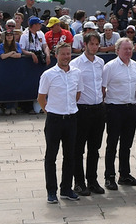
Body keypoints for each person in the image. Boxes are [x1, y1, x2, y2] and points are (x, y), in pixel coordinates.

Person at [37, 42, 82, 203]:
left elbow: (78, 94)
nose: (66, 57)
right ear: (56, 55)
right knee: (51, 156)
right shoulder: (48, 74)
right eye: (63, 54)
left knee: (70, 155)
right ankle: (51, 191)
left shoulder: (76, 73)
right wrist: (49, 111)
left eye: (68, 54)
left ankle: (66, 189)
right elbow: (41, 98)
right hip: (55, 120)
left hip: (71, 119)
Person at [102, 38, 136, 189]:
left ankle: (124, 174)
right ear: (117, 50)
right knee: (112, 144)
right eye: (125, 49)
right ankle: (109, 176)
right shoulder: (110, 67)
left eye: (130, 49)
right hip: (114, 108)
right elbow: (103, 89)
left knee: (127, 144)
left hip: (130, 108)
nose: (128, 52)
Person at [70, 32, 106, 195]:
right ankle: (79, 182)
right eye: (91, 44)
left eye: (97, 44)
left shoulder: (100, 62)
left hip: (98, 109)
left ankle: (92, 180)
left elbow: (101, 85)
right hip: (82, 110)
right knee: (79, 148)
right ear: (85, 45)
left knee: (95, 147)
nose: (94, 47)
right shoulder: (76, 63)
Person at [0, 29, 22, 115]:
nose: (9, 37)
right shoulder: (1, 45)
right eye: (7, 35)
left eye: (11, 35)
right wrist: (12, 53)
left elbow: (19, 55)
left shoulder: (16, 44)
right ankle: (7, 107)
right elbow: (2, 56)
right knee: (6, 87)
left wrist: (9, 55)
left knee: (14, 87)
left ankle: (13, 106)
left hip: (14, 69)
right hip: (5, 69)